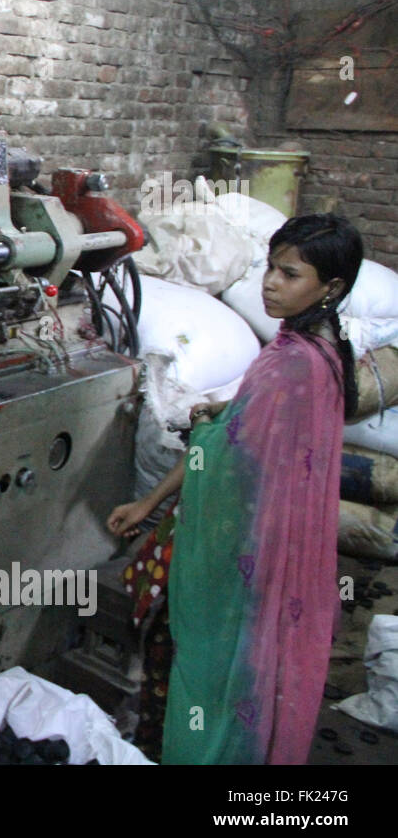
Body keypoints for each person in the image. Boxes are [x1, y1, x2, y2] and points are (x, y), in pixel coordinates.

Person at [108, 213, 363, 764]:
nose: (270, 283)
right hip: (277, 545)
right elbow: (257, 428)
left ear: (331, 287)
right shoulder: (322, 349)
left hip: (242, 547)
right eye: (270, 268)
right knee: (251, 675)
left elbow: (220, 459)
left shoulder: (290, 364)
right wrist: (229, 412)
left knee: (185, 652)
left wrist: (194, 443)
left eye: (290, 274)